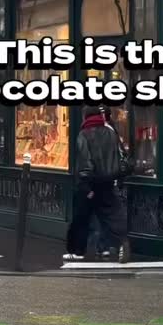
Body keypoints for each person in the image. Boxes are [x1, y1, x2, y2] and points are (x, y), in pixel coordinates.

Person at [64, 106, 126, 261]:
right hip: (109, 182)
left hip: (91, 183)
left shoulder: (84, 134)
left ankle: (77, 251)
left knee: (81, 217)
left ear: (86, 117)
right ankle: (113, 246)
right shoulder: (111, 132)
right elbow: (121, 156)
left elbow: (85, 162)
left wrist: (86, 185)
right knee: (110, 217)